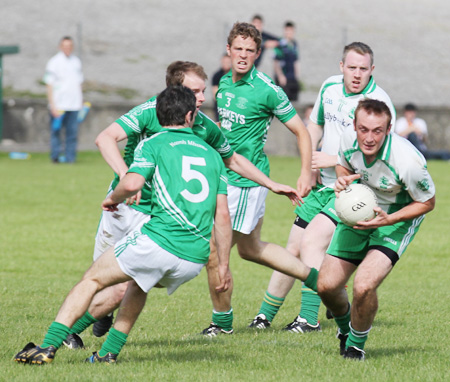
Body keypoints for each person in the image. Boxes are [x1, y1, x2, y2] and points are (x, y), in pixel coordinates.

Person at [60, 60, 301, 349]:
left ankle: (69, 336)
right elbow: (105, 138)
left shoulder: (202, 125)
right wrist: (127, 180)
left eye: (202, 91)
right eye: (195, 91)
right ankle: (94, 322)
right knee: (100, 279)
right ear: (175, 91)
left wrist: (270, 183)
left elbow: (233, 159)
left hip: (156, 217)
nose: (202, 98)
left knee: (125, 284)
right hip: (119, 209)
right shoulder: (150, 112)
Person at [14, 85, 233, 365]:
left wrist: (113, 197)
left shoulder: (153, 143)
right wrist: (223, 264)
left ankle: (47, 346)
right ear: (190, 115)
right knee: (138, 283)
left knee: (92, 279)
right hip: (195, 258)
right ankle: (107, 353)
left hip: (160, 241)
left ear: (158, 113)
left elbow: (132, 183)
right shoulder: (213, 155)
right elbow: (223, 217)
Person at [249, 42, 396, 334]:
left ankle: (309, 317)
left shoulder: (378, 102)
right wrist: (310, 165)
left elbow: (384, 156)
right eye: (351, 67)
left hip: (353, 189)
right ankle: (264, 316)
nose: (356, 74)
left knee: (311, 243)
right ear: (341, 66)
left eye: (363, 69)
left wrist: (334, 159)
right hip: (323, 185)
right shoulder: (329, 87)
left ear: (372, 70)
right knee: (292, 246)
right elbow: (314, 126)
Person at [201, 21, 317, 337]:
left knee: (215, 253)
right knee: (250, 249)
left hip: (245, 184)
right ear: (228, 50)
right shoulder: (223, 83)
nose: (243, 55)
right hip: (225, 177)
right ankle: (316, 279)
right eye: (238, 49)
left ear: (257, 54)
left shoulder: (267, 90)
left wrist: (305, 172)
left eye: (249, 51)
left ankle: (221, 325)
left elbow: (301, 131)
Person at [318, 99, 435, 360]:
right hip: (360, 210)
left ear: (389, 129)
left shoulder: (408, 162)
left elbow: (427, 202)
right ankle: (346, 329)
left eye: (377, 131)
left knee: (363, 285)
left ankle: (355, 347)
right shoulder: (349, 137)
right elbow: (343, 164)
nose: (369, 138)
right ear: (355, 126)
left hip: (396, 217)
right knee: (326, 286)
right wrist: (342, 177)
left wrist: (389, 220)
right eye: (363, 129)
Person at [44, 36, 84, 163]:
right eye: (65, 46)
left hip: (74, 104)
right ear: (60, 47)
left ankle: (70, 158)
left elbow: (79, 83)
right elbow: (49, 84)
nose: (68, 48)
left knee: (72, 133)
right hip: (59, 105)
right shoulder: (54, 62)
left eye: (70, 46)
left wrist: (81, 101)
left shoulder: (76, 61)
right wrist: (53, 105)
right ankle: (55, 157)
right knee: (56, 132)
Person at [273, 21, 300, 102]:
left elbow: (296, 61)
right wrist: (280, 76)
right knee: (283, 101)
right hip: (283, 78)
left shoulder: (294, 44)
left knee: (294, 100)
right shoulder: (279, 43)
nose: (289, 33)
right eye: (287, 30)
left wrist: (297, 76)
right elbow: (276, 62)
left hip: (292, 77)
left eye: (291, 30)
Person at [211, 54, 232, 120]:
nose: (225, 64)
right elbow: (215, 94)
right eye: (224, 62)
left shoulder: (235, 75)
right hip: (220, 106)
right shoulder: (217, 76)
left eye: (228, 62)